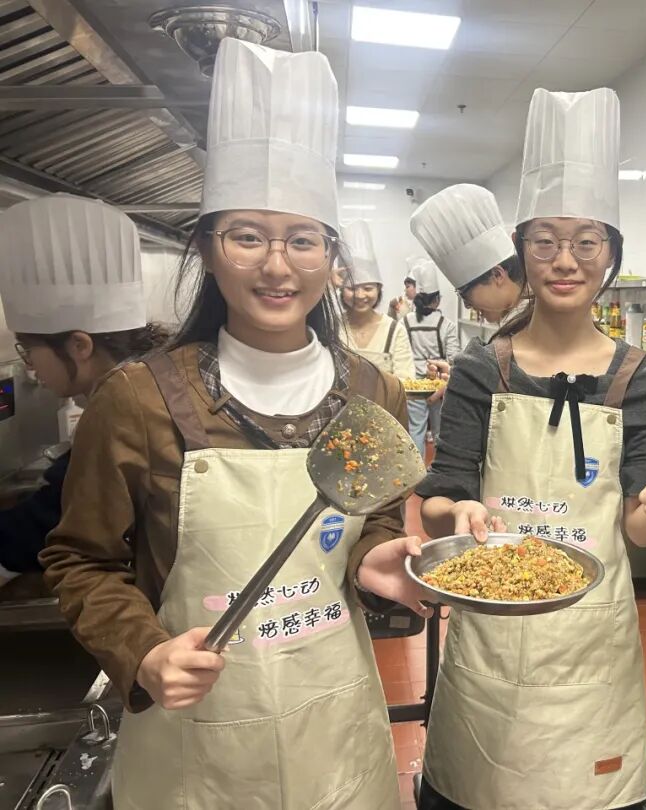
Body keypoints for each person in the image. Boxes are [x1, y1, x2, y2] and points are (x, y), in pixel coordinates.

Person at [39, 38, 426, 810]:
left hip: (334, 731)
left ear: (330, 259)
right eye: (248, 235)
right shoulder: (139, 399)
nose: (277, 266)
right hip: (198, 746)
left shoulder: (369, 390)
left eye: (303, 240)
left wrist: (377, 560)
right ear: (208, 249)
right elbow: (80, 560)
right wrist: (145, 654)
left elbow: (375, 523)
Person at [415, 87, 646, 810]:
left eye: (586, 242)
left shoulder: (641, 375)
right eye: (544, 241)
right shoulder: (481, 367)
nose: (564, 260)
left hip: (591, 644)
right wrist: (457, 514)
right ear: (520, 252)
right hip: (490, 632)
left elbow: (636, 525)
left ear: (611, 254)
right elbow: (442, 492)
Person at [0, 194, 168, 576]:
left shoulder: (126, 411)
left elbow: (46, 526)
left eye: (29, 350)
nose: (30, 366)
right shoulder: (149, 381)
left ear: (79, 345)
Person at [410, 183, 527, 327]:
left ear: (497, 275)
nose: (467, 306)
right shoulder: (513, 323)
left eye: (464, 293)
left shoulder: (538, 322)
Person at [338, 217, 415, 379]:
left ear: (379, 289)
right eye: (352, 288)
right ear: (341, 289)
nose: (360, 295)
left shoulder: (394, 331)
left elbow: (405, 381)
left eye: (368, 288)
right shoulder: (332, 327)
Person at [402, 258, 460, 456]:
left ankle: (417, 472)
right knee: (440, 433)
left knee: (416, 430)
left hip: (414, 385)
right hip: (439, 384)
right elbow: (454, 359)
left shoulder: (404, 322)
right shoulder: (447, 325)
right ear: (437, 300)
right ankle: (438, 471)